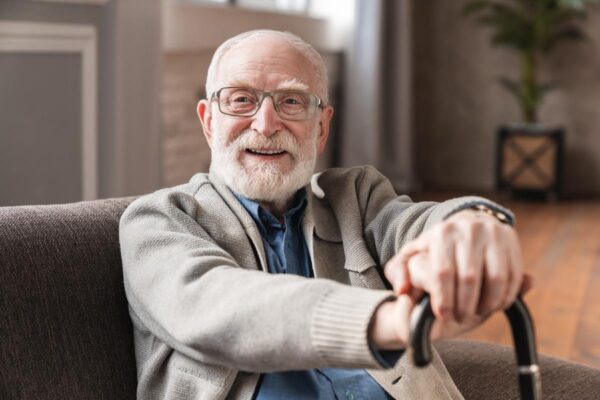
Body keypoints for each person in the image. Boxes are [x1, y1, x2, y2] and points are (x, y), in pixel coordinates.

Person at [119, 29, 530, 399]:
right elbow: (215, 308)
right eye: (241, 99)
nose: (265, 124)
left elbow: (416, 226)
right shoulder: (159, 220)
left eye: (292, 101)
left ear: (321, 127)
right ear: (209, 122)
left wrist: (470, 224)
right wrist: (386, 321)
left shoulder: (355, 197)